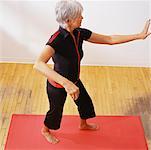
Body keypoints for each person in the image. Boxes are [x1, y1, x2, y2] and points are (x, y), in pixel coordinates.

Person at [33, 0, 151, 144]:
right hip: (57, 85)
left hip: (75, 80)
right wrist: (66, 83)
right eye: (79, 16)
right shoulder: (56, 39)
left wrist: (138, 36)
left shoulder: (79, 33)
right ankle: (45, 130)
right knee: (55, 111)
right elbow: (38, 64)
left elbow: (109, 39)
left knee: (85, 104)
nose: (82, 17)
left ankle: (83, 124)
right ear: (68, 20)